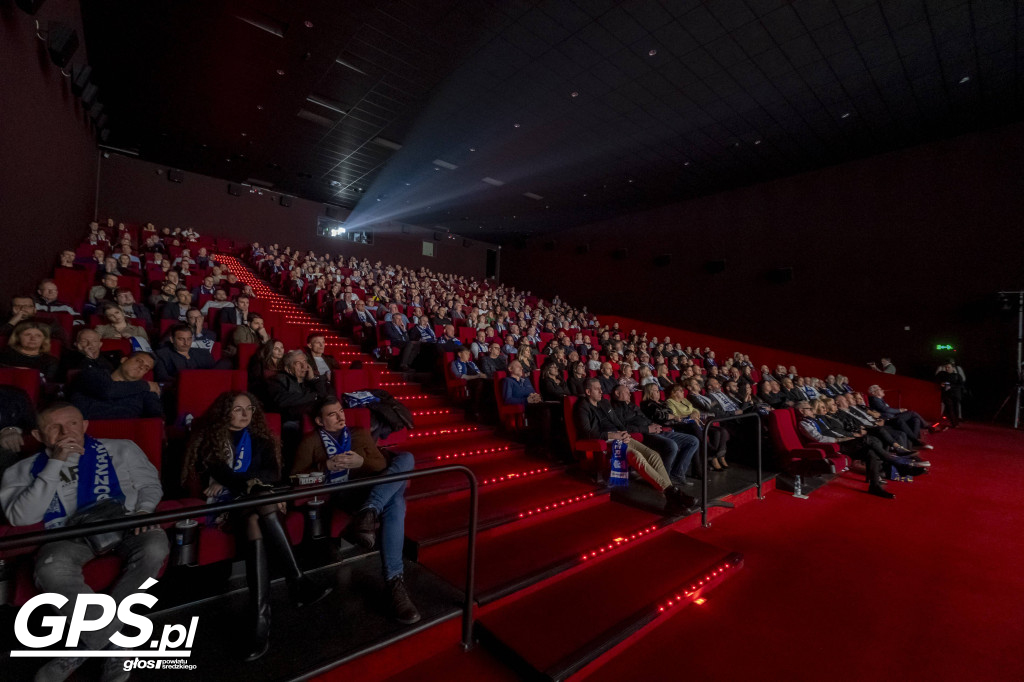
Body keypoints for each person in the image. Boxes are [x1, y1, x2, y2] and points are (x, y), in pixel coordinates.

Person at [1, 402, 169, 680]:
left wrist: (143, 512)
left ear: (86, 425)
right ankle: (114, 644)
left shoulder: (122, 448)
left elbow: (150, 485)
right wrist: (55, 463)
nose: (66, 432)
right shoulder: (22, 470)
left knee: (155, 546)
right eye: (54, 427)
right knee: (50, 568)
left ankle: (81, 649)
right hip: (68, 534)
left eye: (73, 424)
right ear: (39, 436)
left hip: (125, 522)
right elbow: (21, 517)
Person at [183, 392, 331, 661]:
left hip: (253, 504)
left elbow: (271, 474)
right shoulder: (210, 439)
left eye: (249, 409)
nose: (245, 414)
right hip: (224, 505)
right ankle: (296, 581)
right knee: (261, 501)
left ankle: (260, 619)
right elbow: (222, 472)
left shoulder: (261, 439)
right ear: (225, 411)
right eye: (238, 409)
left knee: (255, 518)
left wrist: (240, 482)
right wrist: (237, 483)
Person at [293, 398, 420, 624]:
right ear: (320, 421)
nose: (341, 416)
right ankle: (394, 583)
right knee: (397, 502)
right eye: (332, 414)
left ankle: (369, 511)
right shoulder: (310, 442)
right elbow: (295, 480)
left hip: (370, 486)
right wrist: (325, 467)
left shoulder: (359, 433)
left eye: (341, 411)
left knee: (407, 458)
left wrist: (361, 462)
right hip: (344, 494)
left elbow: (381, 467)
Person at [573, 378, 694, 511]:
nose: (601, 391)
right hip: (606, 440)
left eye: (601, 388)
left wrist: (624, 432)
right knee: (636, 456)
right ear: (588, 391)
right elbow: (588, 433)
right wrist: (614, 435)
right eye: (597, 389)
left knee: (653, 455)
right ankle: (674, 495)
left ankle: (671, 497)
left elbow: (617, 421)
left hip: (620, 436)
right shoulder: (582, 407)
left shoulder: (604, 403)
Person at [611, 385, 699, 489]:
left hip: (655, 429)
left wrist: (653, 425)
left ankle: (677, 475)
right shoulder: (615, 408)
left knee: (693, 441)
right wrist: (648, 429)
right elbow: (623, 427)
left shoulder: (633, 405)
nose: (630, 393)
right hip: (645, 434)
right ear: (617, 393)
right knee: (671, 445)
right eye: (626, 392)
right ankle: (663, 479)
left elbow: (646, 419)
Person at [266, 350, 330, 463]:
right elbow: (282, 401)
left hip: (314, 420)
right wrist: (314, 396)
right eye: (298, 363)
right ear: (287, 368)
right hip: (290, 421)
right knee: (292, 428)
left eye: (305, 362)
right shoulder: (277, 379)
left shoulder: (310, 382)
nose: (304, 365)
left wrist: (314, 379)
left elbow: (324, 397)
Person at [69, 352, 163, 419]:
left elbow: (156, 417)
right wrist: (144, 385)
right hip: (89, 434)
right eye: (139, 361)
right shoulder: (93, 373)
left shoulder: (147, 391)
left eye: (146, 368)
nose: (142, 367)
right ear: (124, 360)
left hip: (127, 439)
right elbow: (107, 390)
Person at [867, 385, 932, 449]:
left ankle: (914, 442)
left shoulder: (879, 399)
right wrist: (900, 410)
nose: (882, 390)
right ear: (874, 393)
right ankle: (927, 426)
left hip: (893, 417)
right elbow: (886, 409)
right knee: (912, 413)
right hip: (888, 419)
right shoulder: (874, 400)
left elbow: (887, 409)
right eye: (880, 389)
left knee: (915, 420)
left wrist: (899, 411)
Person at [450, 346, 487, 419]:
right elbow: (460, 376)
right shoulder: (454, 363)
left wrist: (483, 375)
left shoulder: (471, 363)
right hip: (467, 382)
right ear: (459, 354)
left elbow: (479, 372)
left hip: (477, 379)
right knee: (479, 384)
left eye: (469, 354)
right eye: (466, 353)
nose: (468, 356)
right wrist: (477, 376)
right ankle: (475, 410)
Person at [936, 362, 964, 427]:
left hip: (955, 394)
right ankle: (953, 423)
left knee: (955, 409)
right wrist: (941, 383)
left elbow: (961, 385)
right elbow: (937, 379)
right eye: (946, 367)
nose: (947, 369)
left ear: (953, 368)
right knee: (950, 408)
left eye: (949, 367)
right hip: (947, 394)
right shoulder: (942, 374)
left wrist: (951, 386)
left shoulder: (957, 376)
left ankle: (956, 422)